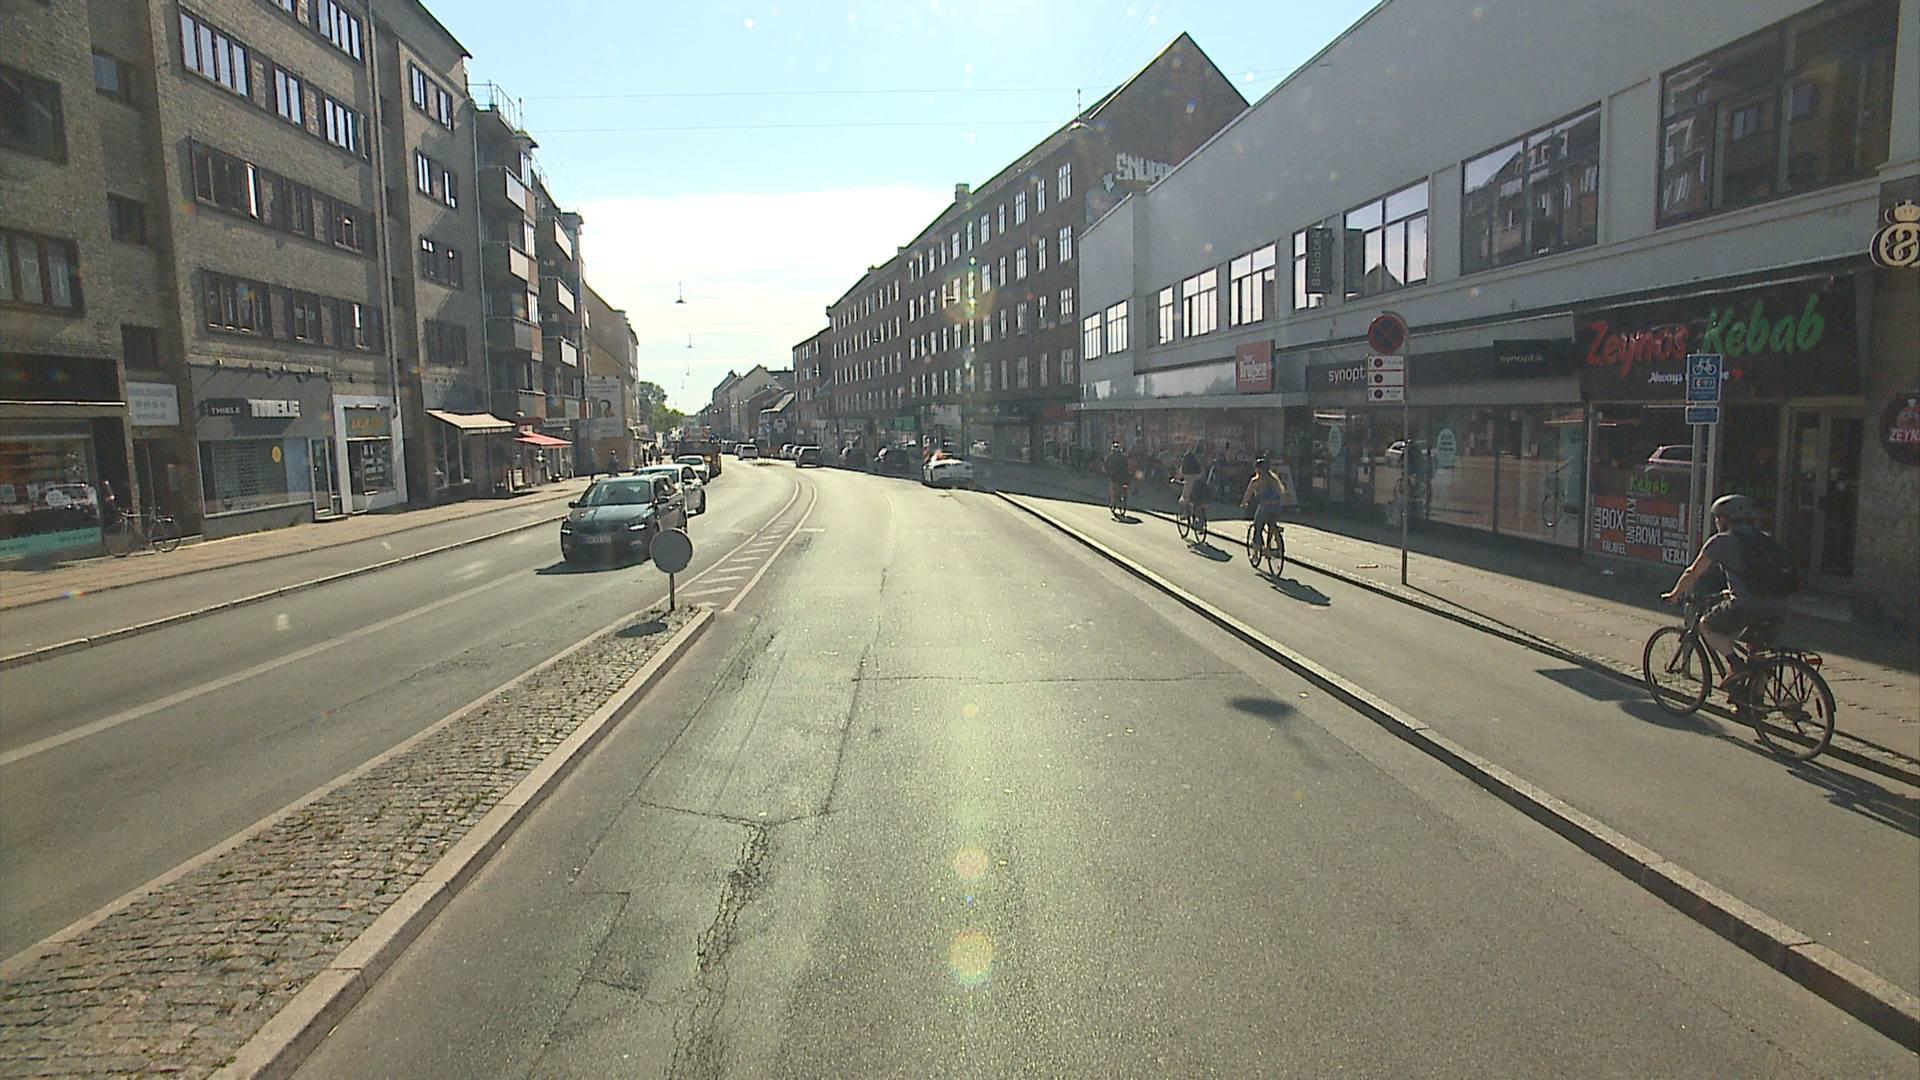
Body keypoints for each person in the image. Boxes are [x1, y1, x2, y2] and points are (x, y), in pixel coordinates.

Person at [1662, 493, 1787, 688]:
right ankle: (1754, 699)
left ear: (1724, 519)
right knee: (1757, 655)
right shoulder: (1766, 540)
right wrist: (1730, 591)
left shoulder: (1721, 541)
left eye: (1717, 518)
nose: (1716, 522)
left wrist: (1675, 595)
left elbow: (1693, 572)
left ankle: (1735, 665)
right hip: (1780, 605)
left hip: (1747, 605)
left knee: (1706, 625)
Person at [1241, 455, 1289, 550]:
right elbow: (1281, 491)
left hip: (1264, 507)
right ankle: (1272, 546)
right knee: (1272, 524)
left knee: (1257, 526)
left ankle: (1258, 546)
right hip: (1277, 507)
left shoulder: (1256, 481)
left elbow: (1248, 494)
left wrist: (1244, 503)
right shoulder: (1274, 479)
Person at [1103, 441, 1132, 510]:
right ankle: (1124, 499)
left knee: (1113, 490)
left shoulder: (1110, 456)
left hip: (1114, 476)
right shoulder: (1123, 456)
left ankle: (1113, 503)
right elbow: (1127, 465)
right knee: (1123, 487)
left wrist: (1106, 471)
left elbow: (1105, 465)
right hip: (1124, 476)